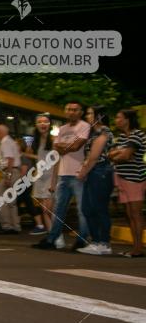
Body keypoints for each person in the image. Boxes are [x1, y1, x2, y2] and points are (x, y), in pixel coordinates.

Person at [33, 101, 90, 250]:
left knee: (81, 209)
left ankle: (81, 240)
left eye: (74, 109)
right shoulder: (63, 129)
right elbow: (57, 149)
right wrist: (67, 146)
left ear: (80, 112)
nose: (71, 112)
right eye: (68, 109)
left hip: (78, 174)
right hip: (63, 175)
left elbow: (76, 146)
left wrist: (64, 146)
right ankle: (52, 239)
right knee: (58, 209)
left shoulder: (84, 126)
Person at [76, 105, 114, 255]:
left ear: (98, 116)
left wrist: (83, 172)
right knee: (87, 208)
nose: (87, 116)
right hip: (92, 173)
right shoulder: (94, 132)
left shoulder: (104, 132)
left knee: (99, 208)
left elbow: (94, 156)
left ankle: (104, 243)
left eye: (90, 113)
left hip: (100, 172)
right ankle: (97, 241)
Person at [108, 109, 145, 257]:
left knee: (135, 214)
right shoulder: (123, 137)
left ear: (127, 120)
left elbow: (125, 155)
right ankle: (135, 247)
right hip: (122, 178)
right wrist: (118, 154)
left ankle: (138, 248)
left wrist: (118, 154)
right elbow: (110, 154)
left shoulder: (137, 135)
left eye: (118, 117)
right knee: (129, 214)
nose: (116, 120)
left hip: (135, 178)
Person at [21, 114, 53, 235]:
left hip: (51, 176)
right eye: (39, 122)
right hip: (40, 177)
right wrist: (28, 153)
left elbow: (57, 159)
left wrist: (55, 180)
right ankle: (52, 236)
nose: (42, 124)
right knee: (44, 210)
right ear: (36, 125)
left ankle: (55, 234)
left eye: (45, 122)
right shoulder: (36, 141)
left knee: (49, 210)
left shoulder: (54, 140)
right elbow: (38, 157)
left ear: (50, 125)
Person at [0, 123, 22, 234]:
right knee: (11, 202)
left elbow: (9, 159)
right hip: (15, 171)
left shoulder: (5, 142)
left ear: (0, 132)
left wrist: (8, 176)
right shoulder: (11, 141)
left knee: (1, 200)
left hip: (9, 172)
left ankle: (7, 226)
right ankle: (15, 226)